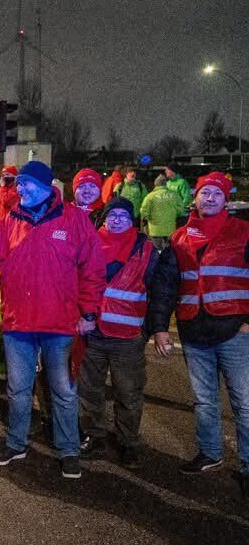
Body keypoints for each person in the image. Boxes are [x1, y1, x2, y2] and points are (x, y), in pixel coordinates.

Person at [0, 161, 105, 479]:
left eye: (27, 183)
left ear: (45, 186)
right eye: (19, 184)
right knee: (18, 389)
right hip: (19, 323)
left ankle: (68, 450)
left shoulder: (74, 220)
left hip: (60, 322)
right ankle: (16, 444)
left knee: (63, 390)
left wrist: (88, 311)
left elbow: (93, 269)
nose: (21, 189)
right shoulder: (10, 220)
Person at [150, 172, 249, 487]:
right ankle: (210, 453)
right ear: (195, 197)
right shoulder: (180, 237)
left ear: (225, 200)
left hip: (235, 331)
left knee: (244, 402)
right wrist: (160, 328)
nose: (210, 198)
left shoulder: (243, 232)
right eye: (205, 192)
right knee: (204, 400)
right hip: (194, 331)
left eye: (216, 194)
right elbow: (166, 285)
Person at [77, 197, 159, 468]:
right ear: (104, 218)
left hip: (127, 336)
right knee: (90, 390)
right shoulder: (90, 243)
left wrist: (151, 329)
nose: (117, 220)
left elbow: (156, 292)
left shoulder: (146, 250)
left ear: (132, 219)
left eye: (123, 215)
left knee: (128, 393)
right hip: (93, 332)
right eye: (112, 215)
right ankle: (94, 435)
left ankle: (128, 443)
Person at [140, 174, 183, 251]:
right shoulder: (174, 195)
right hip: (170, 229)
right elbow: (181, 210)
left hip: (155, 229)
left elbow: (143, 212)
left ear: (155, 184)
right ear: (165, 184)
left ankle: (158, 261)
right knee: (170, 250)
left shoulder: (150, 196)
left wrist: (146, 221)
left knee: (156, 250)